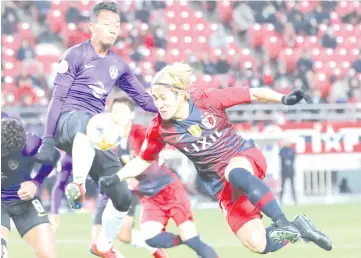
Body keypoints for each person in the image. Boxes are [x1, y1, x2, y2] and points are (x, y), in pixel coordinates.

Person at [100, 63, 333, 255]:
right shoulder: (160, 129)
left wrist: (283, 99)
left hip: (242, 157)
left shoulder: (206, 100)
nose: (158, 104)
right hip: (222, 187)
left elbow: (251, 93)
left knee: (235, 171)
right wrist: (116, 177)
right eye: (155, 98)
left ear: (180, 94)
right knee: (257, 243)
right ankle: (299, 228)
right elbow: (143, 159)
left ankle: (283, 221)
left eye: (163, 97)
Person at [34, 2, 157, 257]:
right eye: (107, 24)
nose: (113, 30)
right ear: (92, 26)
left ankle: (102, 246)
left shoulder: (119, 65)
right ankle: (78, 184)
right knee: (87, 123)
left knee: (122, 195)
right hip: (67, 123)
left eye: (117, 26)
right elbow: (57, 98)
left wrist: (173, 109)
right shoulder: (75, 54)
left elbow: (145, 100)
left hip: (93, 134)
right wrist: (47, 139)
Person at [92, 97, 218, 258]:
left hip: (169, 190)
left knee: (192, 238)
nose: (119, 115)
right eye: (115, 112)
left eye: (123, 111)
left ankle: (192, 241)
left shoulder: (140, 133)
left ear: (131, 115)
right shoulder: (110, 142)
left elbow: (161, 136)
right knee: (151, 238)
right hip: (148, 197)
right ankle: (187, 240)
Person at [1, 118, 58, 258]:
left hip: (24, 199)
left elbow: (53, 155)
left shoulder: (32, 143)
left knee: (47, 254)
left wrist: (35, 182)